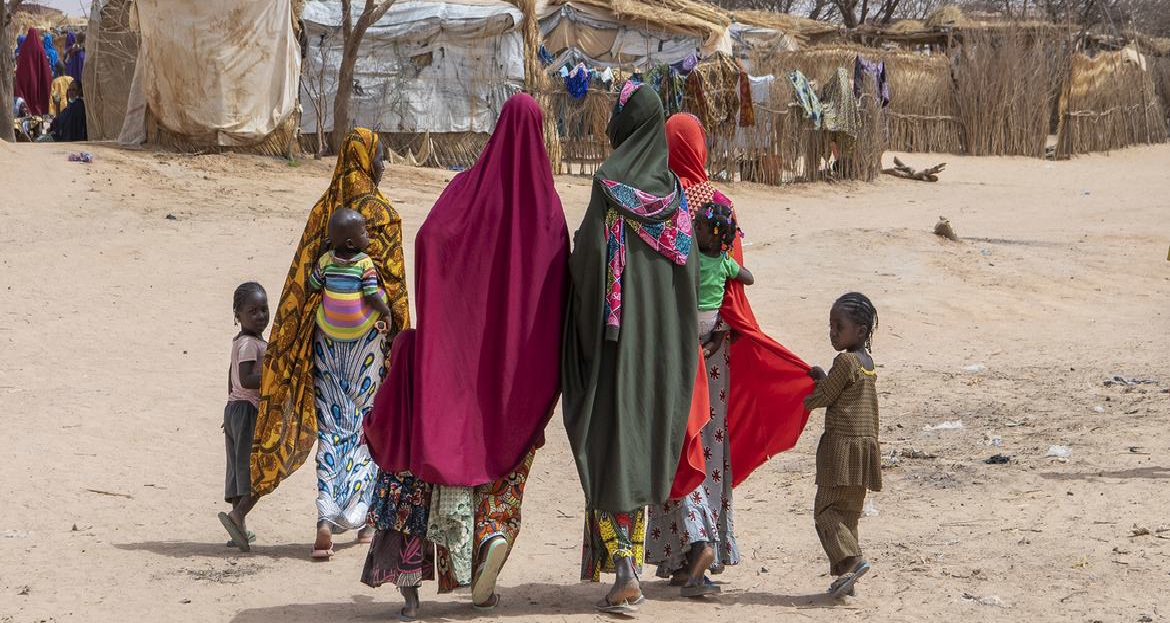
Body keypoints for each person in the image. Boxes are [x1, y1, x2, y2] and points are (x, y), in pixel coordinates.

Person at [362, 91, 569, 620]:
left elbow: (432, 238)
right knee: (505, 462)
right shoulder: (547, 212)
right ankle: (492, 537)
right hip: (516, 373)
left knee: (459, 462)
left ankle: (460, 559)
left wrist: (448, 318)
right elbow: (556, 295)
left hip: (457, 368)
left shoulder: (464, 190)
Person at [217, 128, 410, 556]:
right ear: (366, 160)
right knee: (364, 427)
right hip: (367, 347)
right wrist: (397, 331)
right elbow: (391, 286)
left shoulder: (326, 209)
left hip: (325, 344)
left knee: (332, 430)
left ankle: (325, 517)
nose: (383, 166)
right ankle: (363, 520)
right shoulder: (381, 213)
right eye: (379, 157)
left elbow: (304, 281)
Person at [650, 112, 815, 597]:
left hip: (674, 347)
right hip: (717, 346)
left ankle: (691, 542)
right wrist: (727, 331)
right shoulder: (721, 204)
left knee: (678, 444)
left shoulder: (660, 203)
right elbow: (734, 275)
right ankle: (704, 545)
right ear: (700, 150)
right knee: (710, 447)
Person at [562, 81, 708, 614]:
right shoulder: (674, 195)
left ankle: (623, 566)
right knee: (641, 445)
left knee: (607, 445)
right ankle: (628, 566)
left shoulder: (609, 188)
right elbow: (689, 273)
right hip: (661, 351)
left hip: (613, 343)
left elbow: (588, 260)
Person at [804, 292, 881, 598]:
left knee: (826, 511)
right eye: (831, 325)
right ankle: (847, 577)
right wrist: (824, 377)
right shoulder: (867, 363)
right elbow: (840, 391)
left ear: (859, 331)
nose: (833, 332)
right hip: (863, 451)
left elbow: (823, 397)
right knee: (848, 514)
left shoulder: (846, 361)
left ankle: (854, 560)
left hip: (841, 450)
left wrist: (799, 391)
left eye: (839, 326)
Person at [221, 283, 269, 549]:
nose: (260, 315)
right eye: (253, 311)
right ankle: (238, 515)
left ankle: (238, 528)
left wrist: (229, 408)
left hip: (235, 410)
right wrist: (275, 375)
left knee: (240, 467)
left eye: (264, 309)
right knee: (255, 470)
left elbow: (230, 376)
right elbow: (246, 379)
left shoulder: (241, 341)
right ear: (238, 315)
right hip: (247, 410)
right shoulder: (250, 344)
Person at [15, 28, 52, 116]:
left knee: (27, 104)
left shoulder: (24, 50)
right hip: (38, 81)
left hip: (26, 82)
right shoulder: (40, 49)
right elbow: (45, 70)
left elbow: (20, 69)